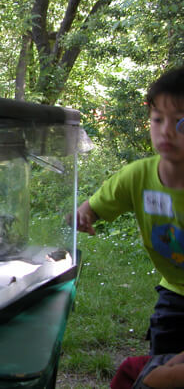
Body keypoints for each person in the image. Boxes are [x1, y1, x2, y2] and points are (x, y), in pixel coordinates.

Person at [72, 67, 184, 384]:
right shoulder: (138, 175)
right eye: (158, 119)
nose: (167, 131)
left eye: (181, 122)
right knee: (160, 366)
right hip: (175, 294)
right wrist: (84, 216)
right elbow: (94, 205)